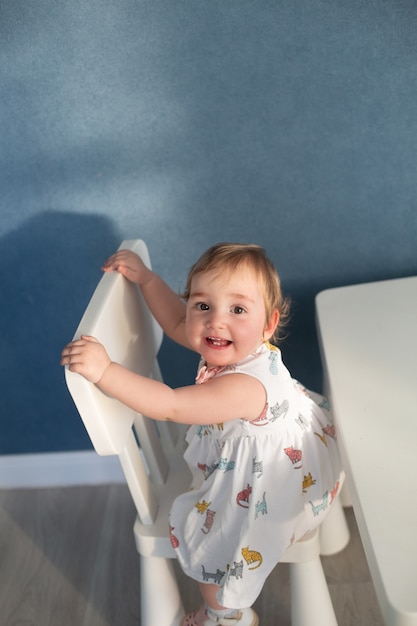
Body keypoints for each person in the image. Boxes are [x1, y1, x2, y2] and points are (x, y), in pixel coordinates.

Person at [61, 243, 344, 626]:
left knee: (214, 546)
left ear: (269, 323)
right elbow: (178, 324)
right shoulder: (241, 346)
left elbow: (170, 406)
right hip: (299, 451)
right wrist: (147, 279)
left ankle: (225, 614)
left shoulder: (242, 387)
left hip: (274, 486)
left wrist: (105, 371)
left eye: (238, 309)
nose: (216, 322)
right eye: (203, 305)